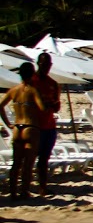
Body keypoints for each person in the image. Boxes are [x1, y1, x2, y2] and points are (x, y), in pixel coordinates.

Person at [0, 61, 47, 201]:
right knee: (28, 163)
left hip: (17, 128)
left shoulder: (13, 90)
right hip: (31, 127)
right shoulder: (33, 90)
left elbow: (0, 106)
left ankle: (13, 192)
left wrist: (8, 123)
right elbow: (42, 108)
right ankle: (24, 191)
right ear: (33, 74)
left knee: (16, 163)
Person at [32, 52, 61, 197]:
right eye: (43, 65)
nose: (46, 68)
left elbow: (57, 106)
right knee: (29, 159)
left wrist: (51, 104)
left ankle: (42, 187)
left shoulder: (53, 84)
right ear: (38, 64)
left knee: (44, 159)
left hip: (49, 126)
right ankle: (25, 187)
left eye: (48, 65)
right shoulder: (31, 82)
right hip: (35, 126)